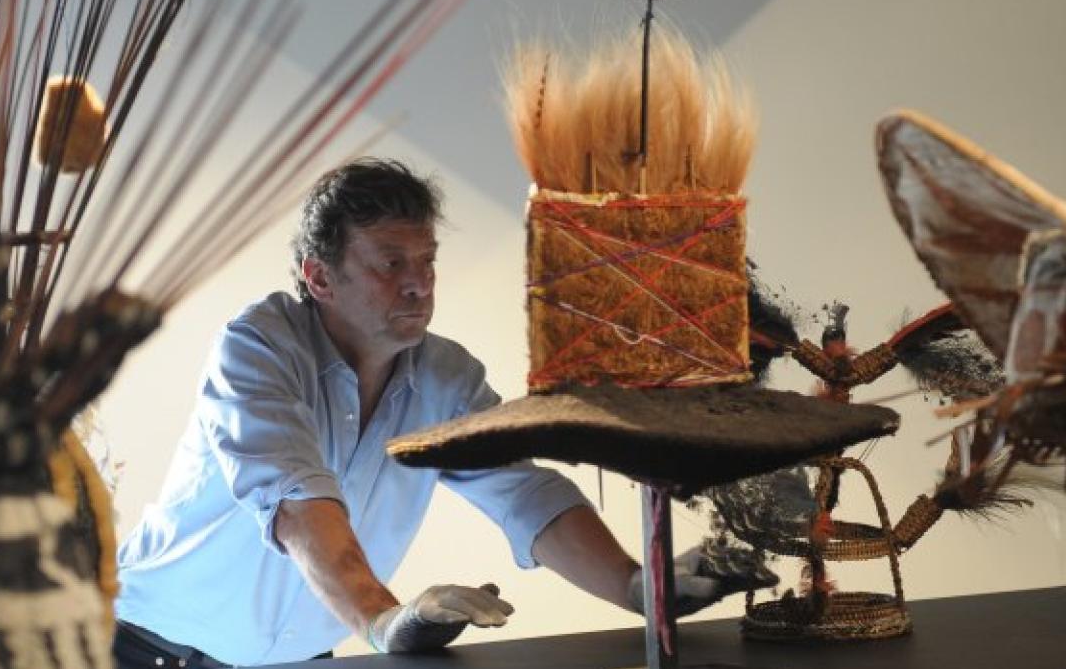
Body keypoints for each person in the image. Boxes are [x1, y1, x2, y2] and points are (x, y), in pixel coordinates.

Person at [114, 159, 751, 668]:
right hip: (151, 650)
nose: (419, 284)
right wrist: (385, 619)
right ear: (319, 276)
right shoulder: (257, 346)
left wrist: (638, 588)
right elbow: (295, 505)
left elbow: (523, 491)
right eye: (391, 263)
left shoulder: (447, 377)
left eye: (427, 261)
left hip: (309, 656)